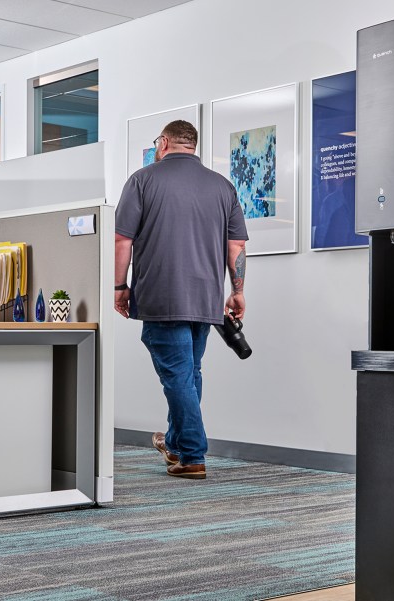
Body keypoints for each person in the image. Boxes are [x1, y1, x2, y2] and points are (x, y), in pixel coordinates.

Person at [114, 120, 248, 480]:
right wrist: (237, 291)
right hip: (206, 299)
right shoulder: (222, 186)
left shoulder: (143, 180)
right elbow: (236, 246)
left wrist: (119, 286)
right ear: (193, 145)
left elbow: (122, 240)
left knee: (177, 375)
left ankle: (192, 454)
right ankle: (175, 445)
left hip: (161, 295)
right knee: (189, 372)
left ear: (164, 142)